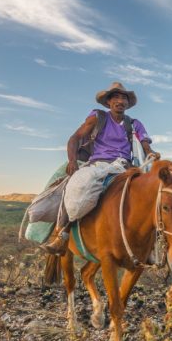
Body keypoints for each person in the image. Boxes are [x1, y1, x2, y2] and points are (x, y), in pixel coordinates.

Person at [41, 81, 158, 255]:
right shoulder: (98, 117)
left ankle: (150, 245)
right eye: (116, 97)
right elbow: (75, 138)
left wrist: (151, 152)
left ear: (128, 103)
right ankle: (62, 234)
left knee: (153, 195)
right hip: (98, 164)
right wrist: (72, 161)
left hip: (124, 166)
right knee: (77, 186)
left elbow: (145, 142)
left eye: (123, 98)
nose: (120, 101)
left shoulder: (134, 124)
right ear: (108, 102)